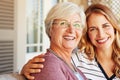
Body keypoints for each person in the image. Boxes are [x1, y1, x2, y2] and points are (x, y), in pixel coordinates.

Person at [21, 3, 120, 80]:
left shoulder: (70, 64)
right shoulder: (77, 59)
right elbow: (49, 66)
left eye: (105, 26)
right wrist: (24, 71)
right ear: (50, 29)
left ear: (114, 27)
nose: (101, 34)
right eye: (93, 29)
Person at [22, 2, 87, 80]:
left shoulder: (71, 65)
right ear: (51, 29)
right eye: (63, 23)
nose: (71, 30)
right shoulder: (49, 66)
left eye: (77, 25)